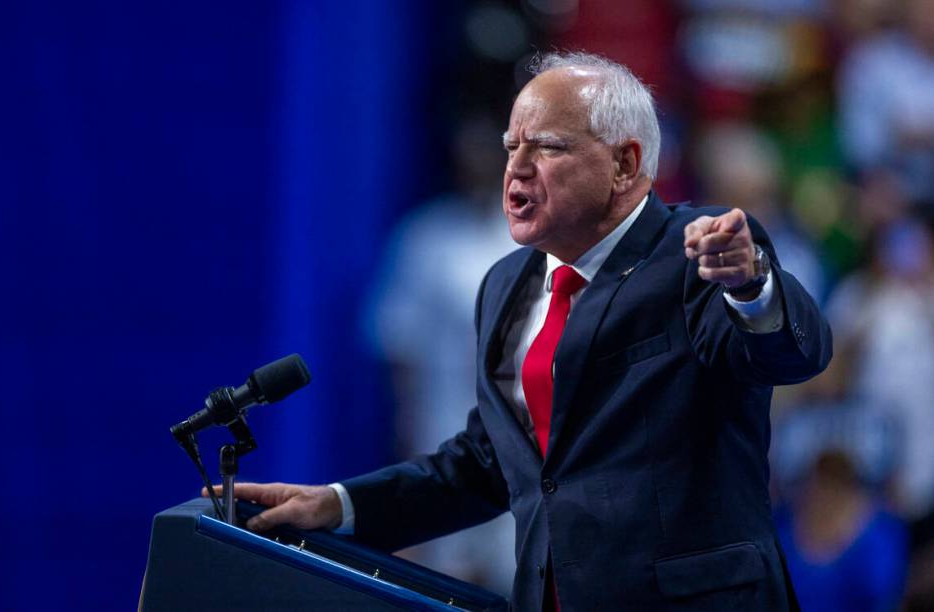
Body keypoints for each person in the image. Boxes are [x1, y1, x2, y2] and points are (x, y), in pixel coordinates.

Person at [209, 52, 831, 610]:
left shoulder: (695, 253)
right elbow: (489, 463)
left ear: (625, 162)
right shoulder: (506, 283)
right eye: (512, 147)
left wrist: (751, 286)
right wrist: (342, 505)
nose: (517, 169)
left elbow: (787, 354)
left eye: (548, 148)